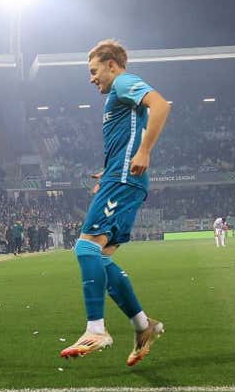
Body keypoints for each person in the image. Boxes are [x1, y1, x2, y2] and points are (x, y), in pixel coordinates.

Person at [61, 40, 171, 366]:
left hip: (123, 180)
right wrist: (107, 170)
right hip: (119, 178)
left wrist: (145, 151)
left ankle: (96, 329)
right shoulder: (115, 96)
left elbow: (161, 105)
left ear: (112, 64)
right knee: (103, 263)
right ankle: (143, 325)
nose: (91, 78)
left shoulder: (123, 82)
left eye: (94, 71)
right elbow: (127, 137)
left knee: (85, 249)